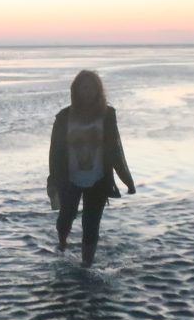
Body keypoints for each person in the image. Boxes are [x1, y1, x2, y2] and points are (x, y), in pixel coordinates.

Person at [48, 70, 136, 266]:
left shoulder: (107, 115)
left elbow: (115, 149)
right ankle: (62, 244)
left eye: (91, 87)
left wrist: (127, 180)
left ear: (98, 91)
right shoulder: (64, 117)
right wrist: (53, 179)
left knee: (91, 224)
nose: (87, 91)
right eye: (83, 87)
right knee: (65, 219)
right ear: (76, 90)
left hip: (99, 178)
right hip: (69, 179)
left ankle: (87, 264)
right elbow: (55, 151)